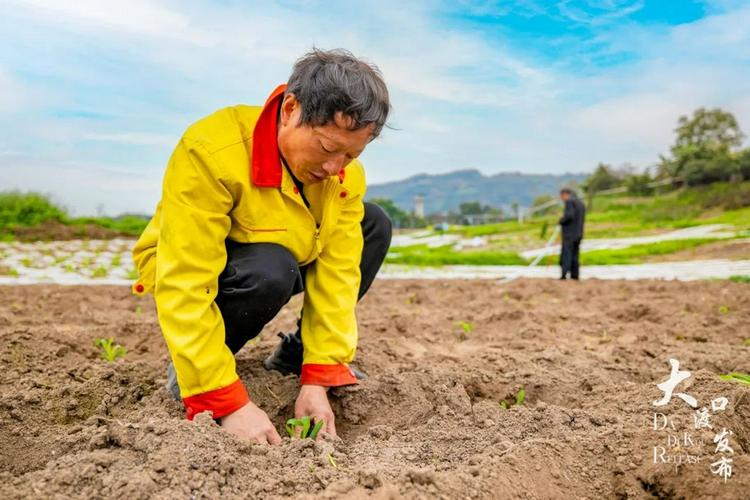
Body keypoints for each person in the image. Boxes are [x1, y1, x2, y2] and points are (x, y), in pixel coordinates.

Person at [130, 49, 392, 445]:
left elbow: (338, 272)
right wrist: (227, 403)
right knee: (271, 269)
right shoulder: (211, 151)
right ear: (290, 108)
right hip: (205, 264)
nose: (334, 167)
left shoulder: (344, 176)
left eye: (351, 154)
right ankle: (197, 370)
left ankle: (296, 355)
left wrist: (318, 377)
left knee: (373, 224)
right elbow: (185, 276)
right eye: (325, 147)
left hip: (285, 250)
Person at [558, 187, 585, 280]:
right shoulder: (580, 203)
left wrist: (561, 221)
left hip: (569, 234)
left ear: (564, 194)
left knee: (567, 254)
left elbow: (569, 215)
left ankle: (564, 274)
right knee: (575, 254)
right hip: (579, 233)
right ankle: (575, 275)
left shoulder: (569, 202)